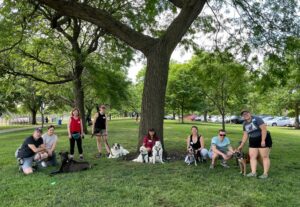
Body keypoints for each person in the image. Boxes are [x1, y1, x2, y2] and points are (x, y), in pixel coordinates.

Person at [238, 109, 272, 179]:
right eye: (243, 114)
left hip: (263, 137)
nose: (245, 115)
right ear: (242, 116)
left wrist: (263, 140)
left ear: (250, 113)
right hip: (253, 139)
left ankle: (265, 174)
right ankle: (253, 172)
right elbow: (245, 134)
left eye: (246, 113)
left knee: (264, 156)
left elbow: (264, 129)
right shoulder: (244, 123)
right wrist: (241, 145)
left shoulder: (257, 119)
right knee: (252, 156)